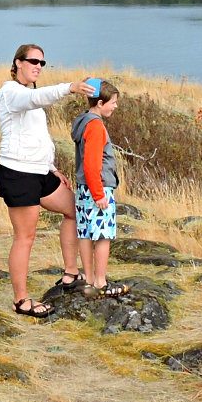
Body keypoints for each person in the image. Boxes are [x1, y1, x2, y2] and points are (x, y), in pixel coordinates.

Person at [0, 43, 93, 316]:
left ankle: (71, 274)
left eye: (42, 62)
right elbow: (34, 101)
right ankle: (21, 300)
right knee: (25, 237)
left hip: (39, 172)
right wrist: (69, 88)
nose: (38, 66)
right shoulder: (11, 92)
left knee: (74, 210)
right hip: (17, 174)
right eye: (33, 61)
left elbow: (38, 137)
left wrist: (51, 168)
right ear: (18, 63)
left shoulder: (29, 94)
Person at [70, 78, 129, 298]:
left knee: (85, 233)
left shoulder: (83, 121)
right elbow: (92, 164)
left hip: (84, 188)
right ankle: (101, 282)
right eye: (113, 102)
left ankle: (89, 279)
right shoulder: (95, 126)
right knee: (103, 236)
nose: (115, 106)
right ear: (100, 103)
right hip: (98, 189)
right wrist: (99, 194)